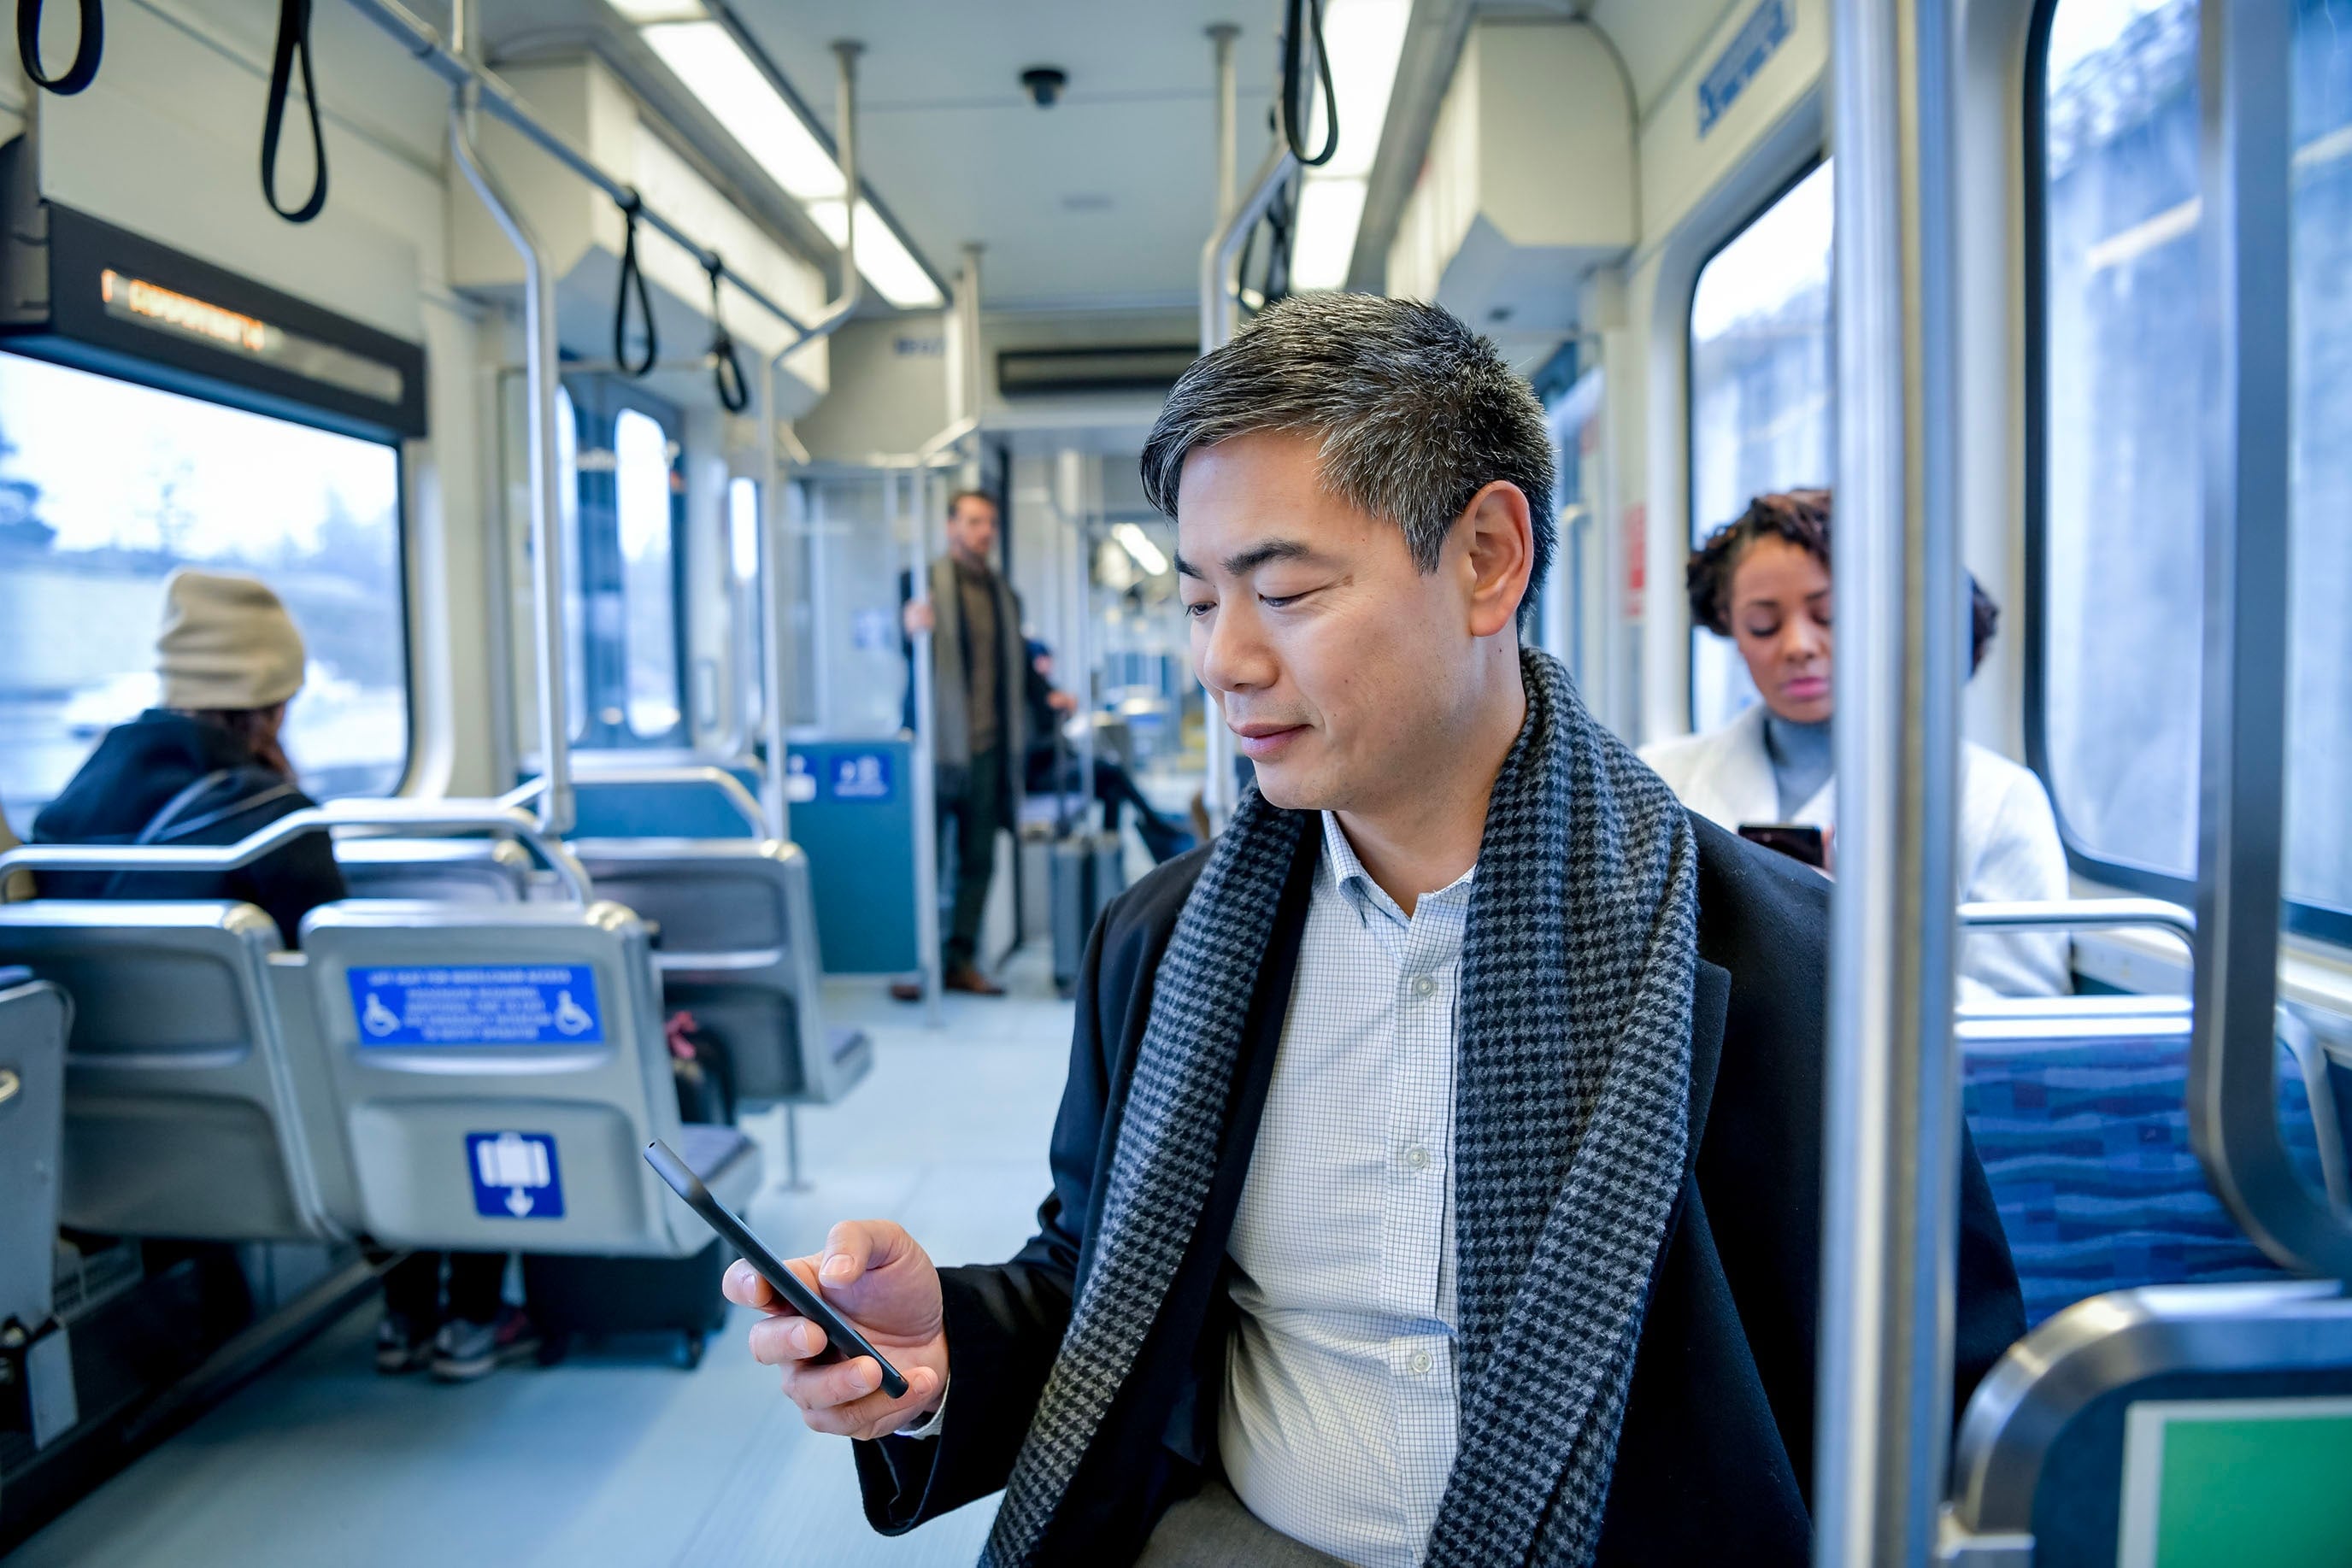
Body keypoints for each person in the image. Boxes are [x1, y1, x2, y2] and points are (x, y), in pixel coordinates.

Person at [722, 297, 2024, 1567]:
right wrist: (945, 1342)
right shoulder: (1164, 945)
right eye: (1195, 600)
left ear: (1486, 559)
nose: (1222, 659)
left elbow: (1925, 1394)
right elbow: (1102, 1278)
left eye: (1282, 591)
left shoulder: (1802, 965)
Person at [31, 568, 535, 1384]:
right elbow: (338, 988)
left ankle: (406, 1317)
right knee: (455, 1072)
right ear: (271, 701)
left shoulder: (63, 817)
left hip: (114, 1147)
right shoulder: (268, 819)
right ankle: (460, 1319)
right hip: (294, 1135)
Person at [1640, 490, 2072, 1002]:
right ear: (1730, 626)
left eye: (1830, 617)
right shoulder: (1658, 776)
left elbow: (2025, 1020)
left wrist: (1859, 946)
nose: (1798, 646)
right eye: (1764, 625)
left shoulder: (1994, 799)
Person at [895, 489, 1028, 999]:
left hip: (989, 748)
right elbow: (897, 645)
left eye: (990, 523)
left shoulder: (1004, 595)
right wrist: (909, 629)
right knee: (926, 859)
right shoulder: (921, 583)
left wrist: (1050, 692)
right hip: (935, 746)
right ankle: (918, 964)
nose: (984, 532)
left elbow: (1015, 665)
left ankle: (960, 960)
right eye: (973, 522)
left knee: (978, 862)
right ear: (951, 527)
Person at [1023, 640, 1197, 865]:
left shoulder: (1045, 690)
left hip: (1058, 761)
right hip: (1042, 772)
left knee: (1113, 791)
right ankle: (1155, 823)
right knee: (1110, 769)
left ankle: (1111, 853)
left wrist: (1063, 711)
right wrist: (1056, 710)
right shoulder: (1030, 696)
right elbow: (1036, 744)